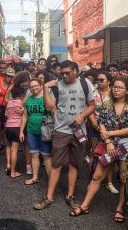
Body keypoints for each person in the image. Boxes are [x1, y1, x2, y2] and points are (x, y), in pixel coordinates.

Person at [69, 77, 128, 224]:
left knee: (125, 179)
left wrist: (110, 135)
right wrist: (108, 141)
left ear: (127, 91)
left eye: (120, 87)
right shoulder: (106, 105)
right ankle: (84, 205)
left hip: (125, 147)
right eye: (114, 87)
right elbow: (101, 123)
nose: (116, 89)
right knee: (97, 176)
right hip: (108, 145)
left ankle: (119, 209)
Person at [34, 60, 96, 210]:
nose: (65, 76)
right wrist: (45, 88)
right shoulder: (57, 85)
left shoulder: (85, 83)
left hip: (79, 132)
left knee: (75, 164)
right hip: (61, 130)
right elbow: (49, 106)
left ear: (76, 71)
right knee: (56, 164)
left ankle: (70, 196)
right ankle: (48, 197)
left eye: (68, 73)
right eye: (62, 73)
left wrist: (82, 116)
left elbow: (93, 105)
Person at [20, 78, 52, 185]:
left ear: (41, 86)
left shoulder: (46, 98)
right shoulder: (29, 100)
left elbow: (53, 111)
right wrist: (21, 131)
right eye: (31, 87)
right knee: (34, 154)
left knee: (46, 156)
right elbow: (25, 116)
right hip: (31, 131)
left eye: (36, 85)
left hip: (45, 131)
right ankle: (35, 177)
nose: (34, 88)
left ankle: (51, 180)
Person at [4, 85, 25, 179]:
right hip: (17, 126)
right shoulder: (22, 102)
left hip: (8, 126)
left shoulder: (8, 102)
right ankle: (13, 172)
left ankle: (8, 164)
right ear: (21, 94)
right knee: (14, 150)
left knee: (8, 146)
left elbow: (6, 99)